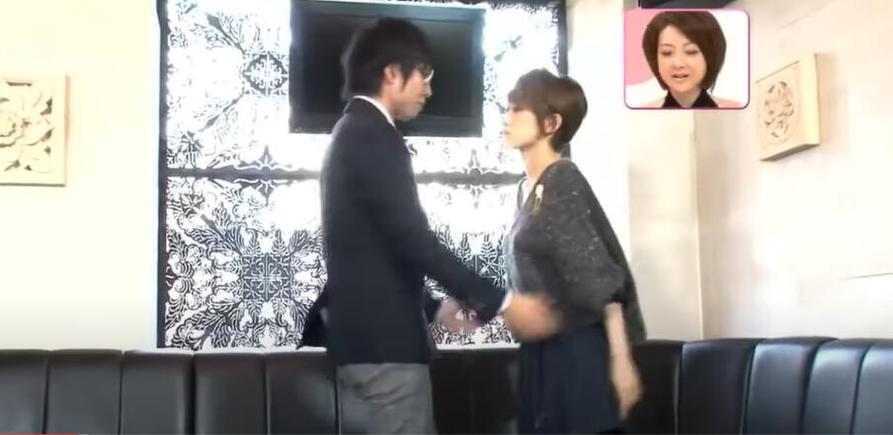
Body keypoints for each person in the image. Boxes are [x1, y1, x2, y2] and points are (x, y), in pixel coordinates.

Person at [300, 18, 557, 434]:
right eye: (424, 74)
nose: (429, 89)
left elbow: (377, 248)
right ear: (392, 74)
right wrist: (502, 302)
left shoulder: (351, 132)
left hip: (366, 347)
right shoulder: (372, 135)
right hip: (386, 353)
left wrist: (434, 308)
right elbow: (413, 239)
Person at [501, 69, 647, 433]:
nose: (508, 117)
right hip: (541, 355)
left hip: (578, 353)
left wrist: (621, 361)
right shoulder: (526, 190)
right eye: (508, 107)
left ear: (551, 123)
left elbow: (600, 281)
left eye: (518, 109)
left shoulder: (562, 179)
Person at [641, 11, 741, 108]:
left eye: (691, 52)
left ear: (710, 56)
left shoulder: (735, 109)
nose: (678, 63)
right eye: (667, 52)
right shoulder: (642, 113)